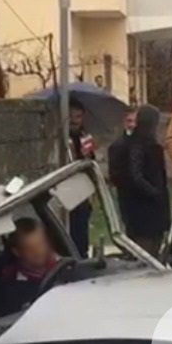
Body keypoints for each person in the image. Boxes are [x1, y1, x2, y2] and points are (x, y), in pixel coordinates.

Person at [112, 105, 170, 254]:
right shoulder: (139, 145)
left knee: (152, 248)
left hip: (148, 209)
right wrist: (154, 193)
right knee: (144, 252)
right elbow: (135, 175)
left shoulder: (147, 143)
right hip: (144, 210)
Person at [0, 218, 59, 316]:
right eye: (30, 249)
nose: (39, 252)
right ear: (17, 252)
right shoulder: (11, 288)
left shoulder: (63, 265)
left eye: (41, 244)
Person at [67, 101, 97, 257]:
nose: (74, 121)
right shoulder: (62, 138)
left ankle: (83, 254)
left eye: (78, 117)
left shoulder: (85, 136)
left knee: (82, 227)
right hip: (67, 190)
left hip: (84, 190)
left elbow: (92, 162)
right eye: (71, 117)